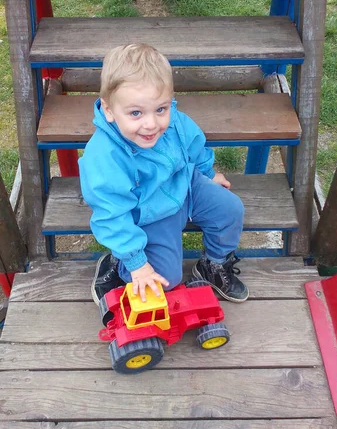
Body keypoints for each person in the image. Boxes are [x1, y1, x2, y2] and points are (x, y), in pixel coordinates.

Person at [79, 43, 248, 306]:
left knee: (230, 209)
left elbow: (193, 144)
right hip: (148, 213)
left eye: (161, 109)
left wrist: (207, 172)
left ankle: (213, 265)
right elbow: (112, 214)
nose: (151, 124)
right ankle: (120, 263)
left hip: (185, 185)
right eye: (136, 113)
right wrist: (138, 264)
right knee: (167, 277)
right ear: (109, 110)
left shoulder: (175, 122)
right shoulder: (104, 157)